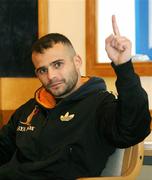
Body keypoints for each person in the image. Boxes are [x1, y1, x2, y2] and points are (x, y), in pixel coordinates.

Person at [0, 15, 151, 180]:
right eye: (42, 70)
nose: (51, 76)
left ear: (77, 61)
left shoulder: (100, 105)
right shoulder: (30, 108)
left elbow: (134, 129)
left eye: (58, 64)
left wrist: (124, 66)